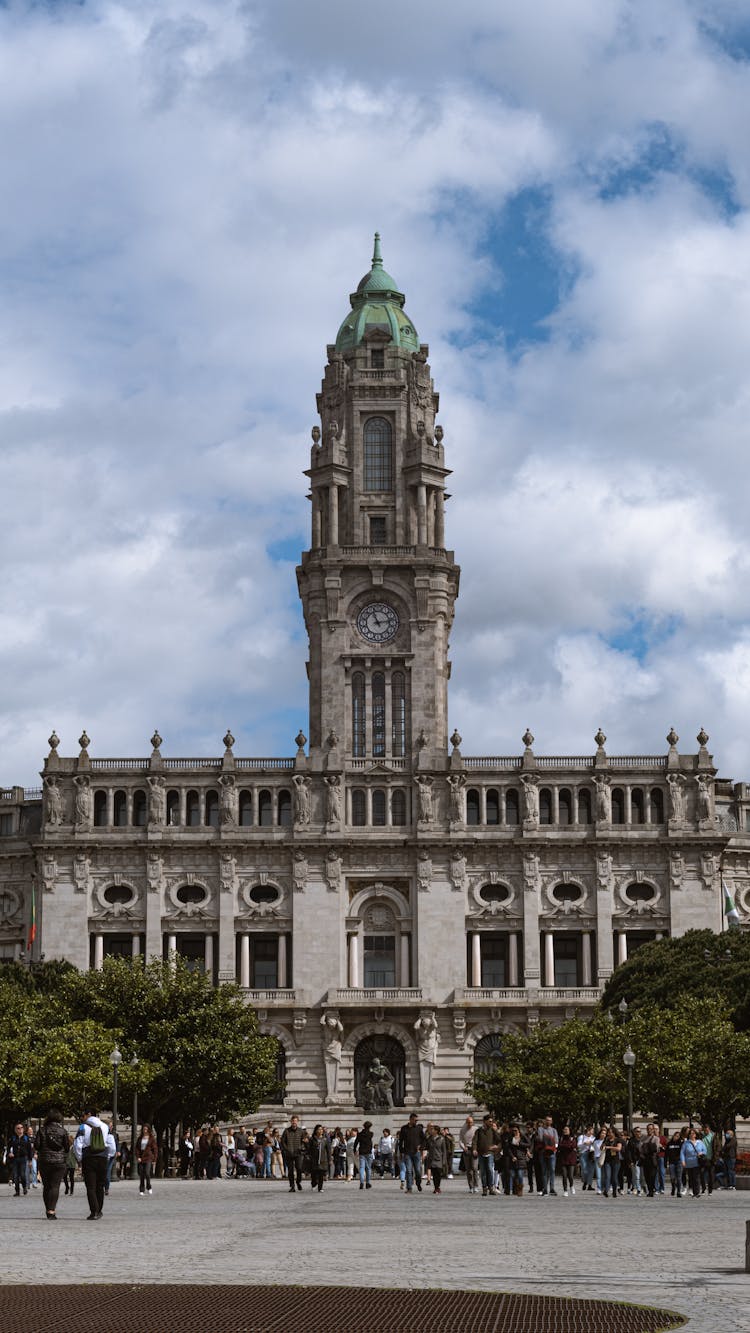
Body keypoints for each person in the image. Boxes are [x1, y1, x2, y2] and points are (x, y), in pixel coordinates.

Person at [74, 1106, 115, 1220]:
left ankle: (94, 1211)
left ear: (88, 1114)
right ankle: (100, 1210)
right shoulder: (105, 1126)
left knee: (90, 1186)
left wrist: (80, 1158)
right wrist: (109, 1156)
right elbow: (111, 1143)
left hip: (89, 1157)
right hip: (102, 1157)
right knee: (100, 1185)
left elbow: (78, 1144)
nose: (82, 1118)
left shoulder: (83, 1127)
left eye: (83, 1115)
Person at [36, 1108, 70, 1220]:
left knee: (46, 1186)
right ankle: (52, 1210)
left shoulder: (42, 1130)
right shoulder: (63, 1131)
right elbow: (66, 1147)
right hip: (59, 1162)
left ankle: (48, 1209)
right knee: (55, 1186)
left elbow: (37, 1146)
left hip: (44, 1161)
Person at [398, 1113, 426, 1194]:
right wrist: (401, 1151)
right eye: (415, 1120)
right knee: (409, 1171)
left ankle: (418, 1183)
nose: (416, 1121)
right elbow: (401, 1141)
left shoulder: (419, 1128)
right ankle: (409, 1187)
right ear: (410, 1119)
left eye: (417, 1120)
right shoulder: (404, 1128)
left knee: (417, 1170)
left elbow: (424, 1139)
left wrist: (421, 1148)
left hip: (416, 1153)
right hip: (407, 1153)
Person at [474, 1114, 501, 1197]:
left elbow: (499, 1140)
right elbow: (474, 1141)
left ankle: (491, 1188)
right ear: (484, 1121)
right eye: (489, 1121)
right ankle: (484, 1188)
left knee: (489, 1169)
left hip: (490, 1153)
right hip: (481, 1153)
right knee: (483, 1172)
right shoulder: (479, 1131)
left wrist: (496, 1146)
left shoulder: (492, 1130)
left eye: (491, 1121)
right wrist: (474, 1149)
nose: (491, 1123)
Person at [8, 1122, 34, 1197]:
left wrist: (30, 1160)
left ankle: (24, 1188)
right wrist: (9, 1153)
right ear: (15, 1130)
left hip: (23, 1158)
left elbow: (30, 1150)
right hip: (15, 1158)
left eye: (21, 1128)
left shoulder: (26, 1138)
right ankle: (17, 1191)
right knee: (16, 1176)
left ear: (23, 1129)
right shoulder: (13, 1138)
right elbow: (8, 1147)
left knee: (22, 1175)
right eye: (18, 1128)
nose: (20, 1129)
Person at [281, 1115, 305, 1193]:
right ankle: (292, 1186)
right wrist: (286, 1149)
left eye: (295, 1121)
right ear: (291, 1122)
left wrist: (301, 1147)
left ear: (297, 1122)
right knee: (290, 1170)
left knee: (299, 1168)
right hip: (289, 1153)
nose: (294, 1122)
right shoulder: (286, 1131)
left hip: (298, 1153)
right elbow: (283, 1141)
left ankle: (298, 1182)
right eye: (293, 1121)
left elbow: (304, 1141)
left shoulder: (301, 1131)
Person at [536, 1116, 559, 1197]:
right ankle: (545, 1189)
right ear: (544, 1121)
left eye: (550, 1120)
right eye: (547, 1120)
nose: (548, 1122)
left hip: (552, 1152)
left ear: (552, 1122)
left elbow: (556, 1141)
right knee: (544, 1171)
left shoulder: (554, 1130)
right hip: (543, 1152)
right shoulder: (540, 1129)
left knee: (552, 1170)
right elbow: (540, 1138)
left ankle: (552, 1188)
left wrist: (554, 1148)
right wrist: (550, 1139)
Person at [680, 1129, 706, 1198]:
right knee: (691, 1178)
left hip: (697, 1162)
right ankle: (694, 1192)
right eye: (691, 1133)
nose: (692, 1134)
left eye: (693, 1133)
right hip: (688, 1163)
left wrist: (701, 1153)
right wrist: (683, 1161)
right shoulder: (686, 1143)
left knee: (696, 1177)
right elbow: (682, 1153)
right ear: (689, 1135)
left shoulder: (700, 1142)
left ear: (696, 1135)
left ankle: (696, 1192)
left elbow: (705, 1150)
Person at [425, 1124, 449, 1194]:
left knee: (438, 1175)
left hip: (439, 1159)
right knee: (434, 1174)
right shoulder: (429, 1138)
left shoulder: (441, 1139)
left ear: (436, 1131)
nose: (431, 1130)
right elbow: (426, 1147)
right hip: (431, 1159)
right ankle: (436, 1188)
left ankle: (437, 1187)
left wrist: (444, 1161)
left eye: (432, 1129)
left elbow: (444, 1151)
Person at [136, 1123, 157, 1196]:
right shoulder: (140, 1138)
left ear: (148, 1130)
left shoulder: (151, 1138)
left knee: (147, 1173)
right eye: (144, 1129)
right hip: (141, 1158)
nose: (145, 1131)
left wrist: (154, 1159)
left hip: (148, 1157)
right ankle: (141, 1189)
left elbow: (155, 1149)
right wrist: (138, 1157)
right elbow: (137, 1148)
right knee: (141, 1174)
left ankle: (149, 1187)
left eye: (146, 1129)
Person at [558, 1125, 577, 1197]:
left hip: (571, 1159)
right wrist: (566, 1146)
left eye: (566, 1129)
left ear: (569, 1131)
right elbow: (559, 1146)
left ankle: (571, 1186)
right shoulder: (561, 1138)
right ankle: (565, 1190)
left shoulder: (573, 1138)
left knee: (571, 1175)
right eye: (564, 1129)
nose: (565, 1130)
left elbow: (573, 1146)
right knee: (564, 1175)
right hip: (563, 1159)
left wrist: (564, 1146)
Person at [309, 1124, 329, 1192]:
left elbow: (328, 1150)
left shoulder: (325, 1139)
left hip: (323, 1159)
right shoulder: (312, 1139)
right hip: (314, 1159)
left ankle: (320, 1187)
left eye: (321, 1129)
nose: (320, 1131)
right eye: (319, 1129)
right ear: (316, 1130)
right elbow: (309, 1149)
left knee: (321, 1174)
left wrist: (329, 1159)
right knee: (314, 1173)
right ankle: (314, 1183)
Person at [354, 1121, 374, 1189]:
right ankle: (368, 1183)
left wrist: (354, 1150)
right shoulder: (371, 1134)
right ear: (370, 1127)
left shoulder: (359, 1134)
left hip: (362, 1152)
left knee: (362, 1168)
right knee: (368, 1168)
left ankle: (361, 1182)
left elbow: (356, 1142)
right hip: (368, 1152)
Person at [577, 1126, 596, 1191]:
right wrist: (584, 1143)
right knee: (584, 1169)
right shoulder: (581, 1137)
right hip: (583, 1154)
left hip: (591, 1154)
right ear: (588, 1130)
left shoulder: (594, 1138)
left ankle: (589, 1185)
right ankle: (585, 1181)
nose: (592, 1132)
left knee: (591, 1170)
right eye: (592, 1130)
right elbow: (578, 1145)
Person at [666, 1131, 683, 1196]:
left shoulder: (680, 1144)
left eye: (678, 1136)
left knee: (679, 1177)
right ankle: (673, 1187)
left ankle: (678, 1191)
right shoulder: (669, 1143)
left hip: (679, 1162)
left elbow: (682, 1151)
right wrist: (665, 1162)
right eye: (675, 1136)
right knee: (672, 1177)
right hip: (671, 1162)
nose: (676, 1137)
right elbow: (666, 1154)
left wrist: (680, 1141)